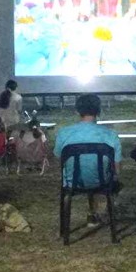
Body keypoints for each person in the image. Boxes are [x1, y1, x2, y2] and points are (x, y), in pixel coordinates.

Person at [54, 94, 122, 227]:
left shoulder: (64, 133)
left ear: (77, 111)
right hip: (102, 182)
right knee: (108, 178)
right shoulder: (111, 135)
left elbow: (59, 158)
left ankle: (92, 213)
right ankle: (99, 212)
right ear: (99, 111)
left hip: (72, 182)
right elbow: (117, 169)